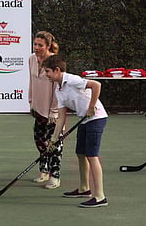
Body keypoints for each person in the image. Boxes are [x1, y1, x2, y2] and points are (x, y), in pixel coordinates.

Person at [44, 55, 108, 208]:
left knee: (92, 155)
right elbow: (60, 118)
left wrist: (92, 106)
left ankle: (100, 197)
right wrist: (53, 139)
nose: (45, 74)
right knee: (81, 153)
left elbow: (96, 85)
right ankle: (84, 189)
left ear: (57, 70)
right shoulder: (58, 90)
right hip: (84, 120)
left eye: (47, 71)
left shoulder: (72, 80)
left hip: (96, 118)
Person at [28, 31, 63, 189]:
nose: (36, 47)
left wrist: (54, 112)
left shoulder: (54, 62)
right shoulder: (31, 59)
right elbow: (32, 80)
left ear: (48, 46)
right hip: (38, 107)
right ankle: (44, 170)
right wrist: (31, 101)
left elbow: (58, 88)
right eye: (35, 44)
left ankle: (55, 175)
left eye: (40, 45)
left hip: (52, 110)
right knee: (40, 141)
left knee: (54, 143)